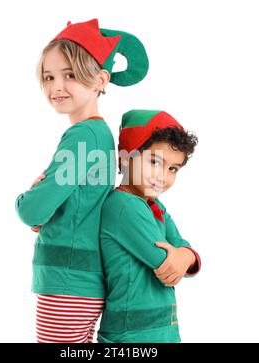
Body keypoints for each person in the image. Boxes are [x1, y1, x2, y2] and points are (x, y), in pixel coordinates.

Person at [15, 19, 149, 343]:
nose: (56, 86)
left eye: (70, 75)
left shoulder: (82, 137)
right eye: (49, 77)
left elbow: (33, 210)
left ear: (101, 79)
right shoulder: (99, 134)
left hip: (66, 284)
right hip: (84, 282)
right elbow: (77, 203)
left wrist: (28, 201)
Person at [97, 109, 201, 343]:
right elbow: (165, 261)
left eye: (173, 168)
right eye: (155, 162)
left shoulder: (156, 207)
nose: (163, 177)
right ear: (125, 158)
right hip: (132, 335)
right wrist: (181, 256)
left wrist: (185, 256)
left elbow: (184, 251)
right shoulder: (122, 205)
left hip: (162, 329)